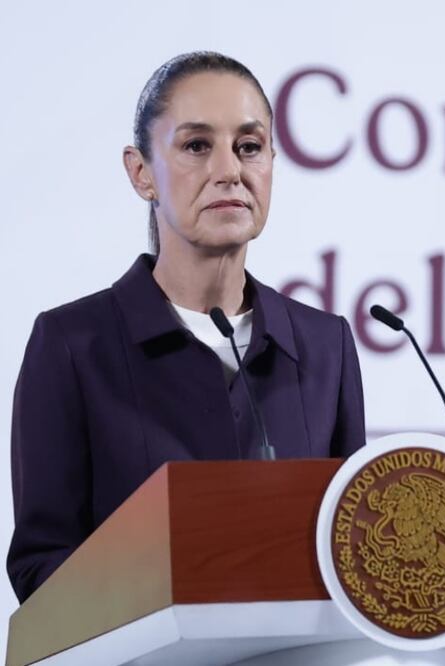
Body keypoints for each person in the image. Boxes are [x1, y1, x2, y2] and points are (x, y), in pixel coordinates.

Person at [6, 52, 366, 603]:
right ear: (141, 172)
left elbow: (352, 552)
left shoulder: (325, 345)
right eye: (197, 146)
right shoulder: (72, 345)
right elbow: (42, 565)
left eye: (250, 147)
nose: (230, 171)